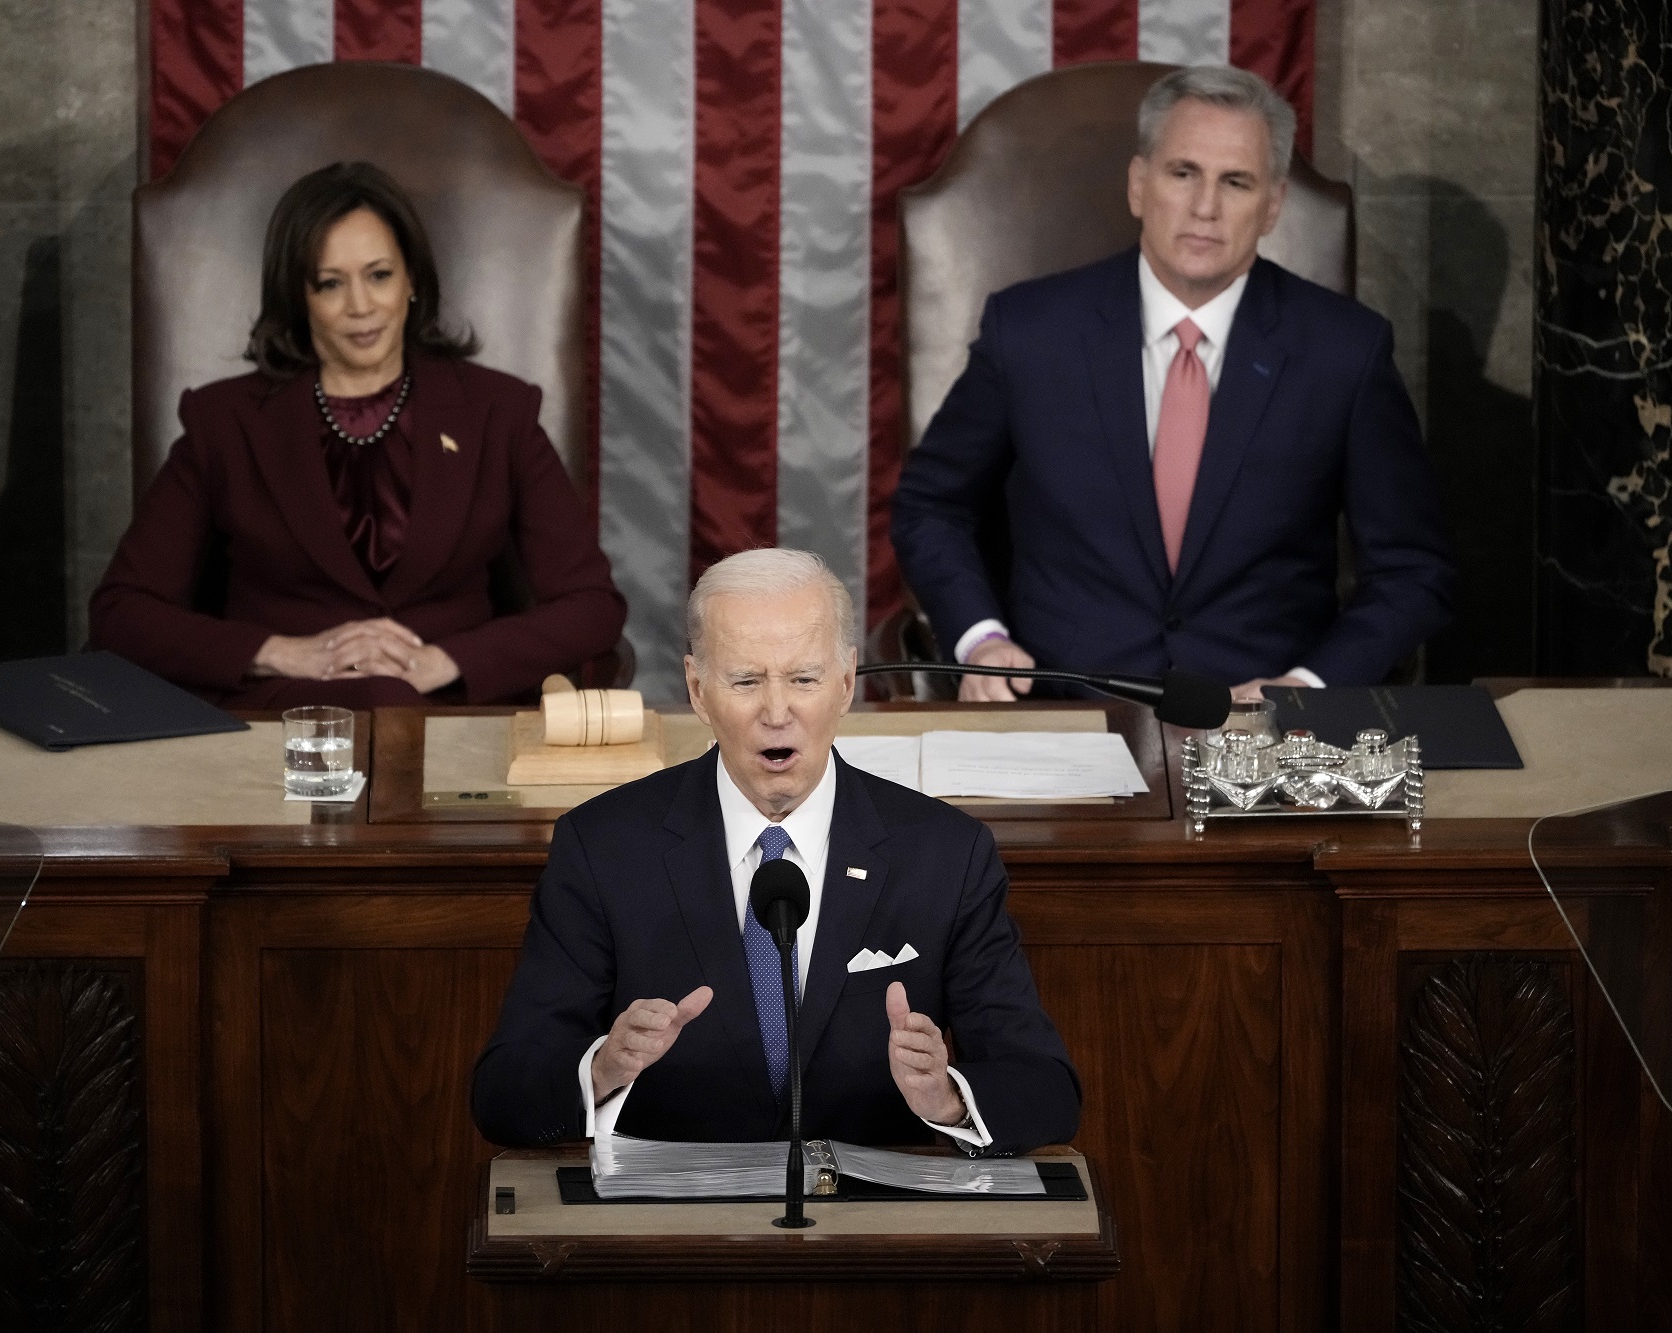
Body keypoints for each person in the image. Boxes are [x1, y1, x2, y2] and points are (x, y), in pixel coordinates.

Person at [472, 548, 1079, 1153]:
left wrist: (946, 1096)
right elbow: (503, 1095)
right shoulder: (604, 847)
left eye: (803, 679)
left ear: (845, 683)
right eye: (746, 681)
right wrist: (602, 1069)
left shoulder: (946, 854)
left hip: (871, 1229)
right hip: (676, 1229)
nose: (777, 712)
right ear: (698, 690)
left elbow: (1046, 1089)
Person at [891, 66, 1454, 704]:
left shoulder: (1345, 352)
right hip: (1060, 713)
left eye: (1235, 182)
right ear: (1138, 185)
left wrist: (1307, 689)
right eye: (1182, 173)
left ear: (1271, 206)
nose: (1205, 208)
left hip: (1263, 733)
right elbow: (931, 507)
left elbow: (1413, 573)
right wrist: (980, 641)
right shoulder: (1029, 332)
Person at [89, 161, 626, 708]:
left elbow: (592, 605)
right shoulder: (225, 423)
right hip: (285, 724)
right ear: (299, 297)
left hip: (451, 719)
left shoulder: (497, 411)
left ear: (412, 278)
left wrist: (443, 662)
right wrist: (283, 652)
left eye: (379, 275)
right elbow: (121, 612)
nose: (361, 306)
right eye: (330, 283)